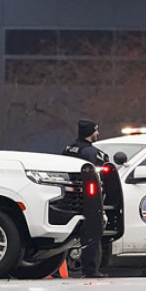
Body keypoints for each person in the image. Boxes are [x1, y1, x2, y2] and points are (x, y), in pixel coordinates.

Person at [62, 119, 109, 278]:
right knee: (93, 233)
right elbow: (97, 173)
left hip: (69, 196)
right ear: (90, 133)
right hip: (89, 197)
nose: (98, 134)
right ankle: (91, 270)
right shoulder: (91, 152)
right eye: (96, 131)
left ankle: (59, 270)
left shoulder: (69, 148)